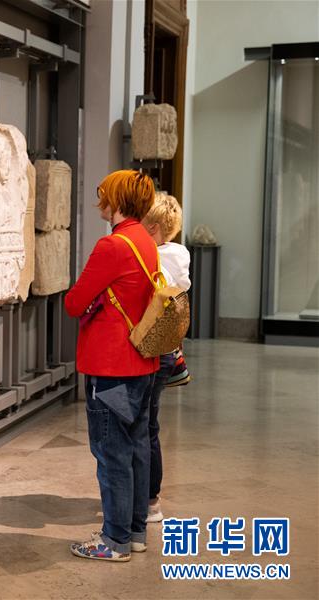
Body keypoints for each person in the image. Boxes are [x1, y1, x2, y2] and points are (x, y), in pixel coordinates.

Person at [65, 170, 159, 562]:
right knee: (136, 447)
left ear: (117, 201)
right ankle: (135, 532)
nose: (99, 201)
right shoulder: (145, 241)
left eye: (103, 194)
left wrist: (95, 300)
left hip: (111, 365)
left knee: (112, 452)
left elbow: (73, 302)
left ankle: (114, 540)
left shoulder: (112, 245)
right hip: (143, 361)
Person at [140, 192, 191, 523]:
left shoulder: (155, 260)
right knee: (150, 424)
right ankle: (149, 499)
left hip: (151, 352)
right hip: (168, 352)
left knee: (144, 426)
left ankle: (149, 501)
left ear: (153, 228)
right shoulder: (179, 256)